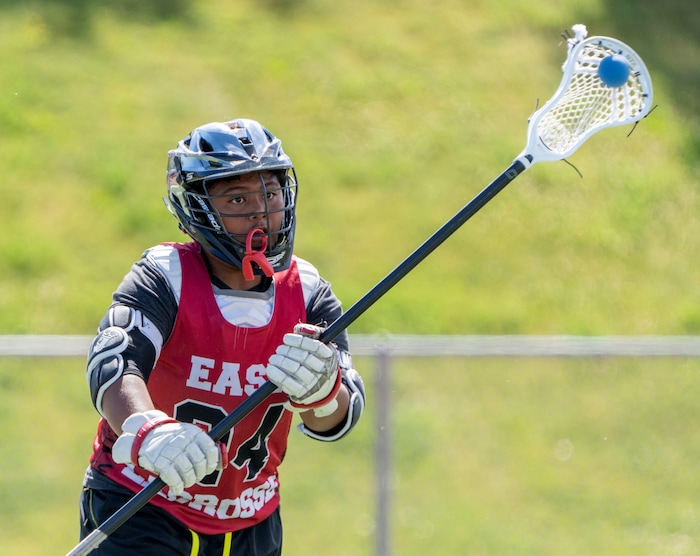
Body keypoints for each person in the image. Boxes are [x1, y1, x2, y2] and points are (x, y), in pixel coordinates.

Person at [79, 118, 366, 555]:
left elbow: (336, 421)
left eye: (269, 193)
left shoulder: (308, 291)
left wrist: (323, 392)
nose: (261, 213)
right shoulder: (166, 275)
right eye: (237, 197)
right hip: (141, 503)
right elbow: (114, 362)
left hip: (251, 519)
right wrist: (148, 431)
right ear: (198, 208)